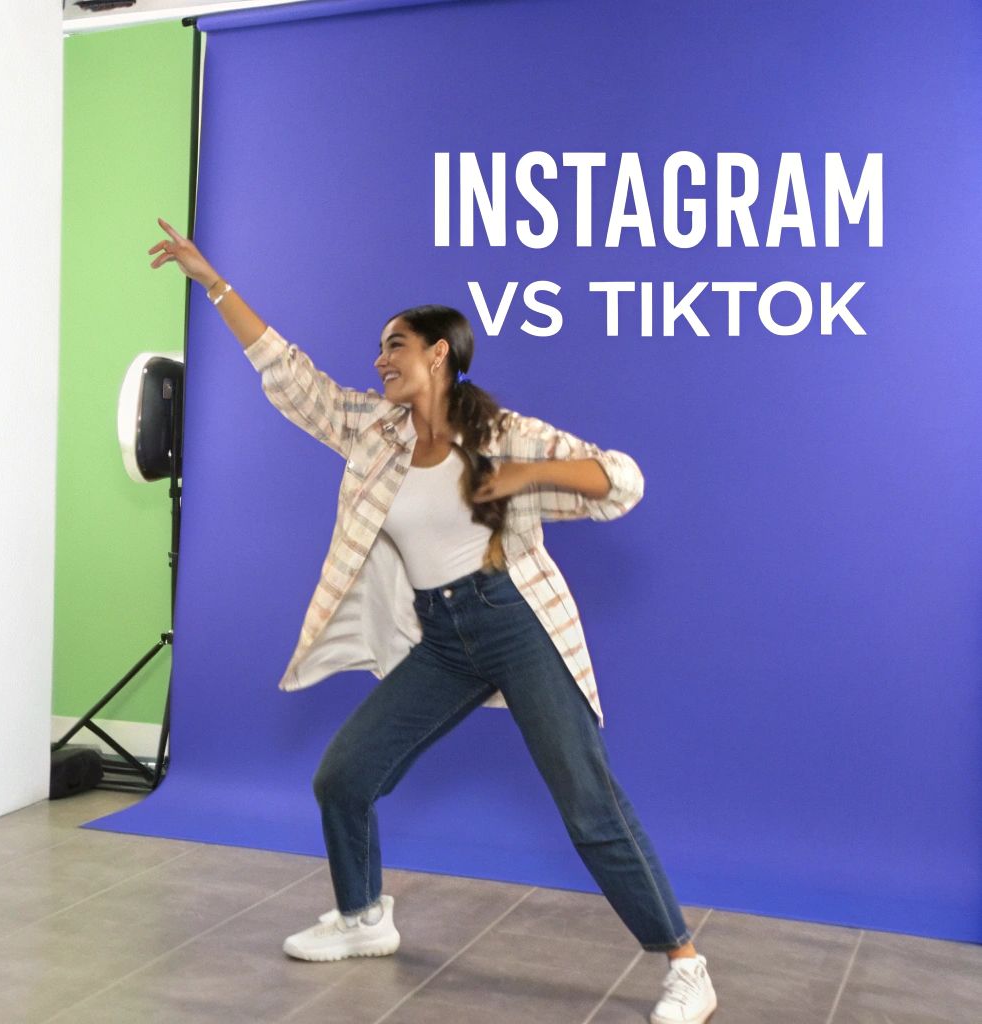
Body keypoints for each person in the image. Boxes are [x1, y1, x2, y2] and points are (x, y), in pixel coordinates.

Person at [148, 218, 717, 1024]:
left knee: (588, 803)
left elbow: (622, 482)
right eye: (380, 350)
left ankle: (686, 965)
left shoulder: (500, 435)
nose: (380, 360)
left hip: (516, 621)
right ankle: (363, 916)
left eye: (396, 346)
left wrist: (525, 472)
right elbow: (292, 378)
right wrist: (215, 283)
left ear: (439, 354)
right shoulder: (373, 434)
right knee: (344, 774)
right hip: (443, 636)